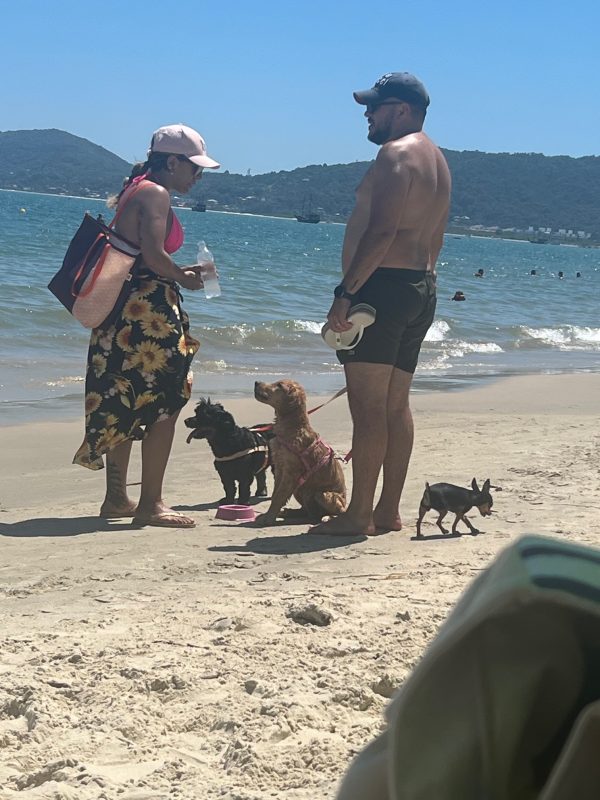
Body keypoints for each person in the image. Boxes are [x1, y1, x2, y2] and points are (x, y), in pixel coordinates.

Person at [312, 73, 451, 536]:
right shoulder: (438, 161)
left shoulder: (395, 154)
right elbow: (436, 236)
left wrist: (347, 292)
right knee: (395, 406)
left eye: (376, 106)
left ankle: (357, 516)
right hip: (419, 287)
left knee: (368, 409)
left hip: (381, 289)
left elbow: (382, 230)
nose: (367, 114)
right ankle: (388, 512)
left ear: (403, 110)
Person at [73, 124, 220, 528]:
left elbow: (140, 255)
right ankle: (151, 504)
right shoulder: (155, 193)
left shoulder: (134, 188)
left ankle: (117, 499)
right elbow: (154, 257)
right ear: (172, 162)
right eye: (195, 168)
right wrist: (187, 278)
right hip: (146, 313)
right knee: (165, 404)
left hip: (120, 311)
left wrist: (176, 272)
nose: (198, 177)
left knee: (124, 399)